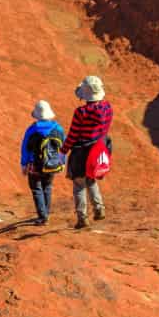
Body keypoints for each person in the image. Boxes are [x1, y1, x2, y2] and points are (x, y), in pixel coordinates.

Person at [65, 75, 113, 228]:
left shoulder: (81, 112)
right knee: (91, 179)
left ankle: (82, 218)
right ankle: (99, 208)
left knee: (79, 184)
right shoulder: (107, 108)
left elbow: (73, 135)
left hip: (81, 152)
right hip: (97, 149)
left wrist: (63, 151)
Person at [19, 100, 66, 226]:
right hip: (52, 164)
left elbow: (25, 149)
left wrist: (24, 165)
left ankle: (43, 216)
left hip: (35, 165)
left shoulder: (32, 130)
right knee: (47, 187)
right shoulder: (58, 128)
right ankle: (46, 213)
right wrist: (62, 162)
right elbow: (63, 146)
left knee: (36, 189)